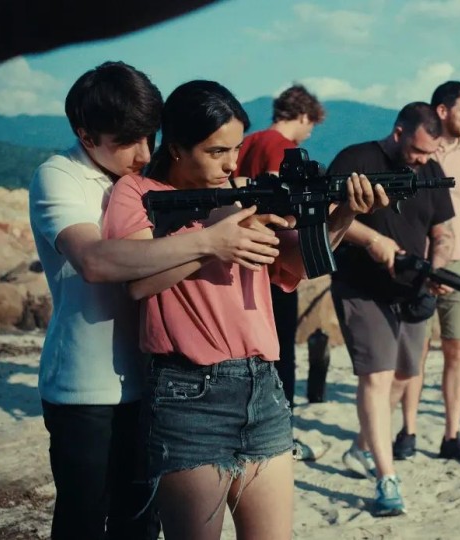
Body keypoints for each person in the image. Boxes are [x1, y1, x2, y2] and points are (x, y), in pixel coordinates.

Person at [101, 79, 387, 539]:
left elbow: (300, 264)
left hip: (263, 388)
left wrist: (344, 214)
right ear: (176, 148)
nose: (232, 163)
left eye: (235, 149)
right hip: (187, 396)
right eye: (216, 151)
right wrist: (215, 243)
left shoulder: (243, 192)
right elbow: (137, 282)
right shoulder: (136, 192)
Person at [29, 62, 283, 540]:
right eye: (127, 141)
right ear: (85, 135)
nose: (144, 153)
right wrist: (210, 241)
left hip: (160, 382)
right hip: (87, 386)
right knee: (83, 522)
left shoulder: (145, 179)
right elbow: (96, 262)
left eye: (150, 136)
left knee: (141, 525)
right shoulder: (60, 176)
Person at [328, 102, 455, 517]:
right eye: (417, 151)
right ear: (399, 132)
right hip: (360, 286)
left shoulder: (431, 170)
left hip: (412, 288)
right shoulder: (356, 159)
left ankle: (360, 448)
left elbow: (443, 231)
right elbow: (327, 214)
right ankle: (387, 480)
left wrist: (437, 267)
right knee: (377, 377)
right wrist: (372, 239)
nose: (421, 160)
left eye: (429, 153)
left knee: (404, 376)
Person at [393, 81, 460, 466]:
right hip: (417, 261)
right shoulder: (418, 147)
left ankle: (452, 435)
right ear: (442, 111)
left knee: (459, 350)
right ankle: (408, 430)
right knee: (415, 351)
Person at [234, 83, 326, 461]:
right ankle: (281, 433)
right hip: (274, 263)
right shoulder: (281, 148)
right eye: (311, 125)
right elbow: (283, 204)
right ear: (302, 116)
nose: (309, 134)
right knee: (280, 353)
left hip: (242, 260)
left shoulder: (247, 141)